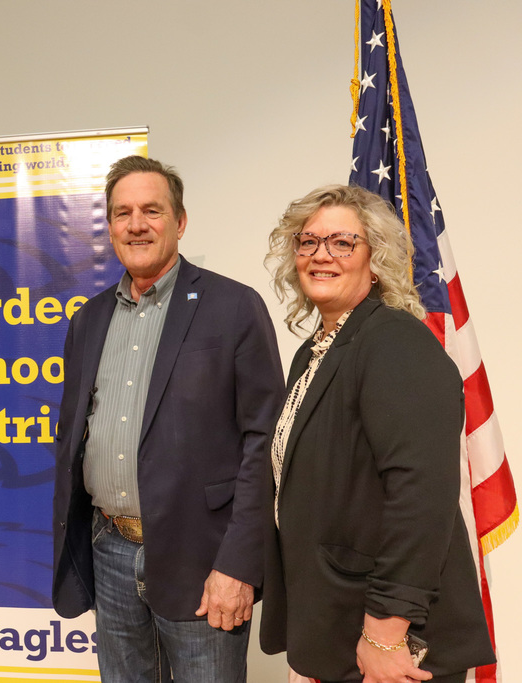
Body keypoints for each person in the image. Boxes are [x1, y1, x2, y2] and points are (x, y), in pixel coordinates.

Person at [51, 156, 286, 681]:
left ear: (179, 222)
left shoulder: (232, 307)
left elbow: (263, 445)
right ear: (110, 226)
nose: (136, 224)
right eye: (122, 213)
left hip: (203, 559)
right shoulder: (88, 320)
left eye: (151, 210)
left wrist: (239, 564)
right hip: (109, 548)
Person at [259, 184, 496, 683]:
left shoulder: (394, 342)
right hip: (335, 626)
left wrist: (385, 632)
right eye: (308, 242)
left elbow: (421, 498)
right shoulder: (315, 352)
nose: (321, 255)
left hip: (389, 640)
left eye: (342, 243)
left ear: (376, 257)